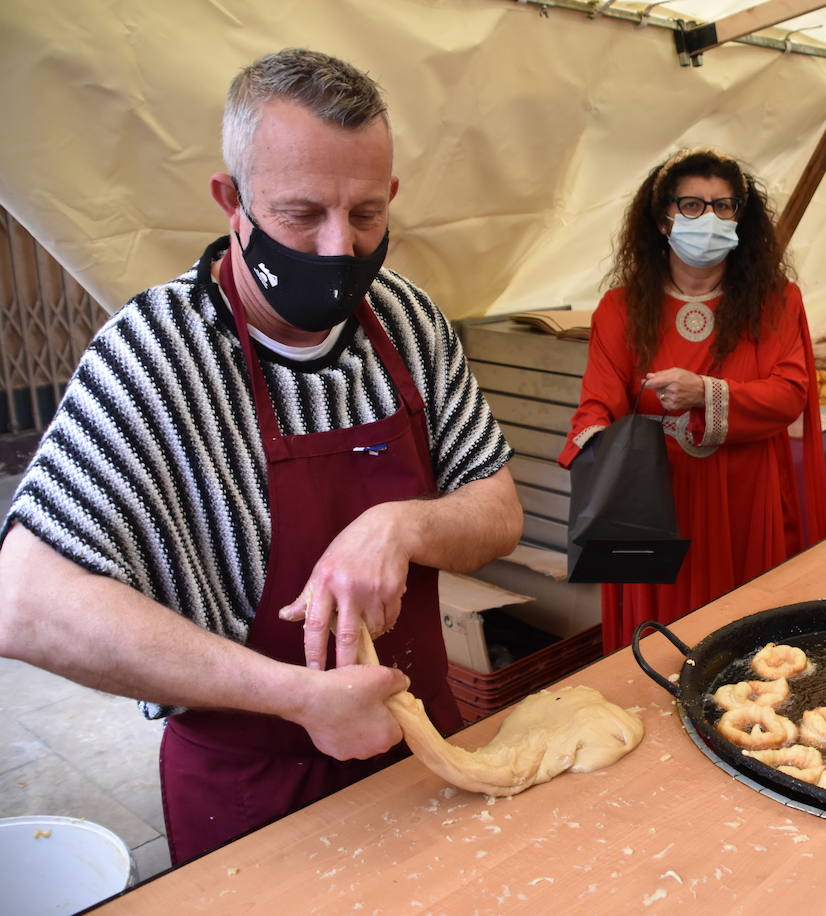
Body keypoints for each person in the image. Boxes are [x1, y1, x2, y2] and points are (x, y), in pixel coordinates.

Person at [0, 49, 522, 864]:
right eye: (300, 213)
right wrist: (298, 697)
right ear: (230, 201)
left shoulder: (409, 321)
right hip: (251, 789)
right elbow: (25, 601)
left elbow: (498, 509)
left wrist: (402, 526)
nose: (337, 248)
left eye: (366, 215)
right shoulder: (155, 356)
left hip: (419, 741)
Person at [560, 148, 826, 653]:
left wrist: (705, 393)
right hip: (652, 501)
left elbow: (790, 395)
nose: (709, 217)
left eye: (723, 206)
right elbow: (597, 402)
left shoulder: (777, 301)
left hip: (745, 494)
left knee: (745, 641)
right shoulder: (619, 309)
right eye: (691, 206)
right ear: (663, 219)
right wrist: (594, 448)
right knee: (658, 644)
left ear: (740, 218)